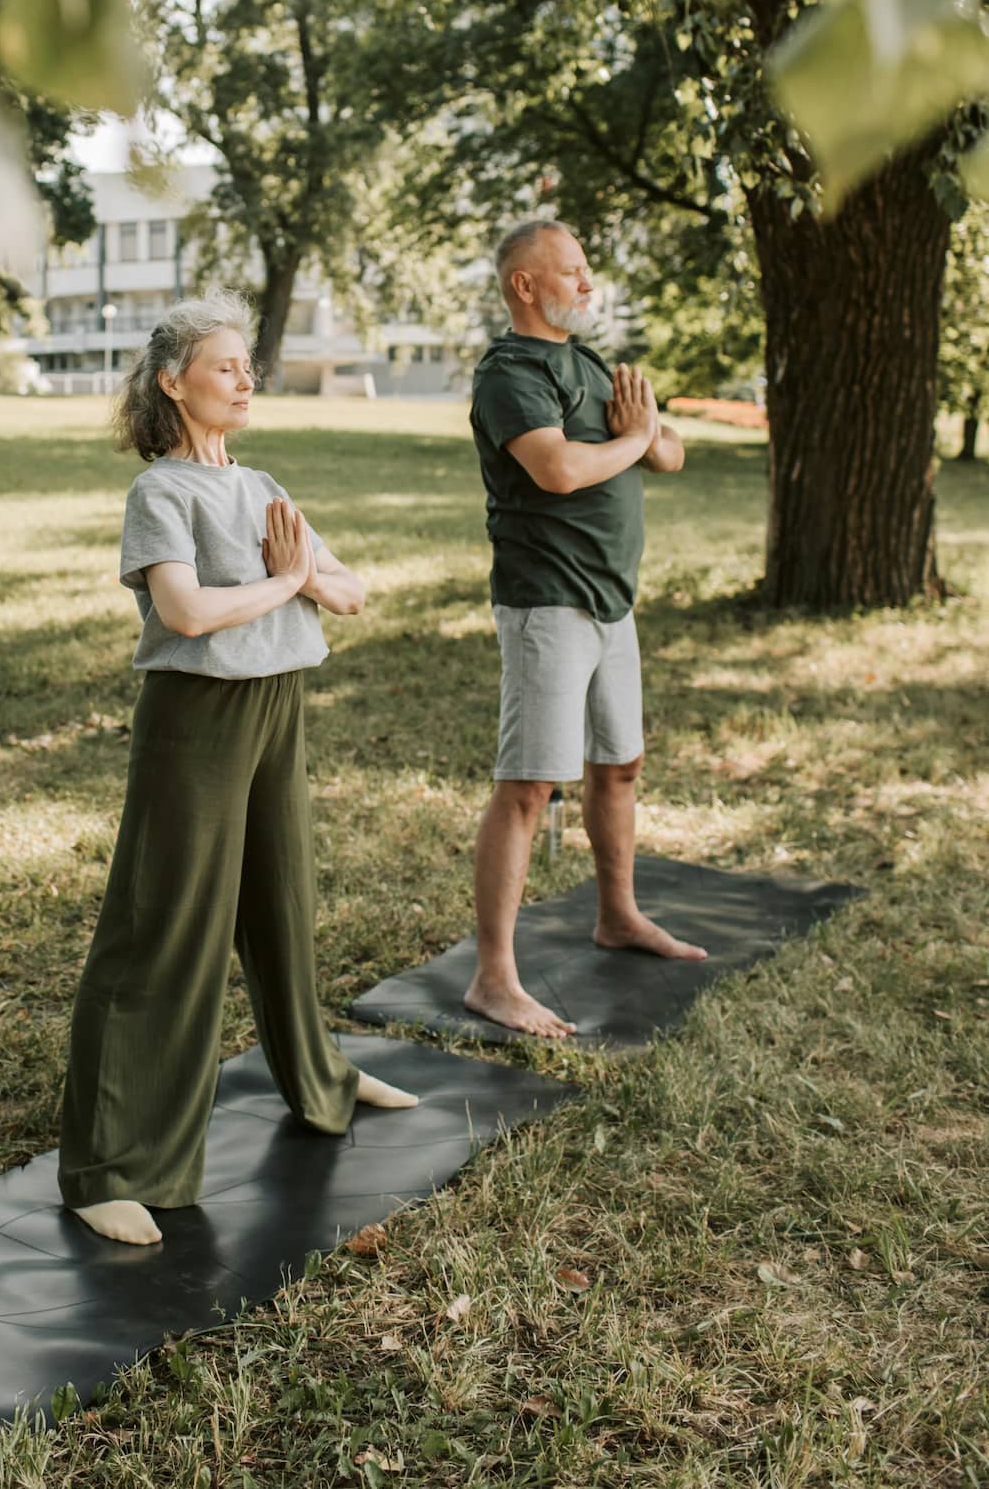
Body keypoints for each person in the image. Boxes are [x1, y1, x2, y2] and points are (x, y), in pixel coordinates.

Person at [58, 290, 417, 1246]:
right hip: (197, 717)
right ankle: (110, 1165)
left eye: (248, 364)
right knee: (167, 927)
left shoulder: (260, 485)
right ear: (174, 382)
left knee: (282, 906)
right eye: (226, 365)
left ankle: (321, 1078)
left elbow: (350, 590)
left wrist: (298, 581)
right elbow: (184, 612)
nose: (245, 377)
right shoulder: (162, 493)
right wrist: (288, 583)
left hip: (276, 705)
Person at [466, 219, 707, 1040]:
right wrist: (635, 438)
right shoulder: (511, 373)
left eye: (587, 270)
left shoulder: (590, 365)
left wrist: (644, 435)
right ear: (525, 286)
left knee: (621, 765)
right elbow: (559, 470)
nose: (587, 283)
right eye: (570, 272)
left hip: (612, 600)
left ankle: (618, 915)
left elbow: (670, 454)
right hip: (548, 601)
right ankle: (494, 979)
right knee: (531, 787)